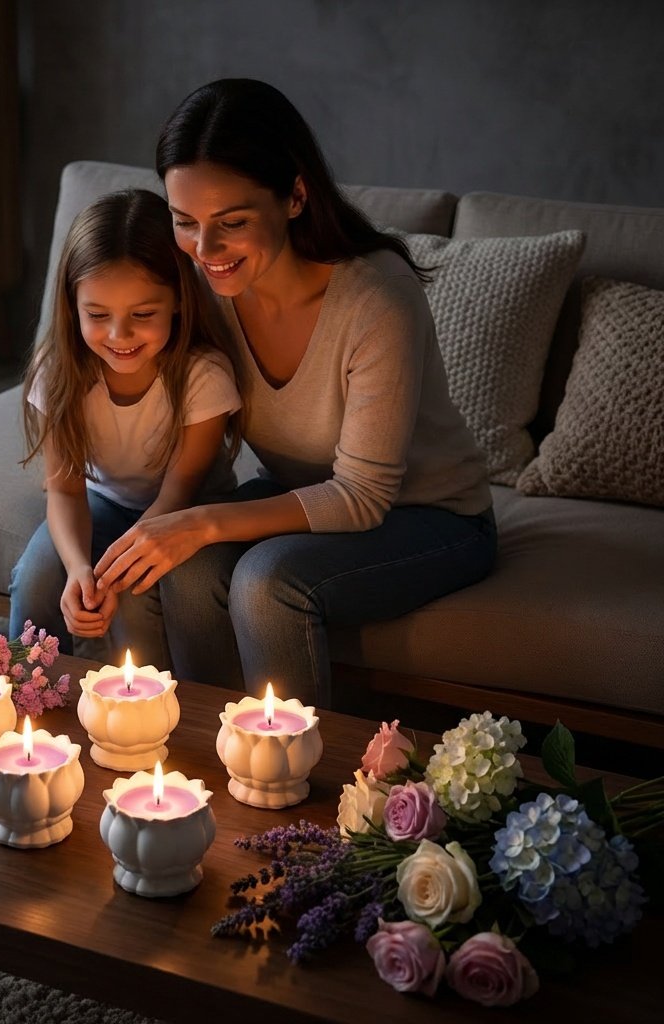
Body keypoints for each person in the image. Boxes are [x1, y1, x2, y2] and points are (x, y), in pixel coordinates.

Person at [93, 79, 496, 706]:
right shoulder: (207, 287)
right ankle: (213, 762)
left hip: (433, 515)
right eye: (185, 223)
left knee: (264, 580)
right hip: (300, 495)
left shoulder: (376, 300)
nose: (205, 250)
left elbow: (362, 497)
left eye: (232, 223)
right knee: (185, 566)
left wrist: (199, 520)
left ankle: (292, 783)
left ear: (296, 196)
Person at [9, 187, 242, 666]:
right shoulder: (58, 373)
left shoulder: (204, 376)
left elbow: (179, 493)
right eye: (97, 315)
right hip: (105, 502)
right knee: (37, 578)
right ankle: (25, 699)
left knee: (135, 589)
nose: (120, 336)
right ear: (72, 305)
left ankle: (148, 710)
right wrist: (78, 569)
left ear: (178, 301)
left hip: (186, 511)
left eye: (142, 315)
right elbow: (66, 492)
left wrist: (114, 570)